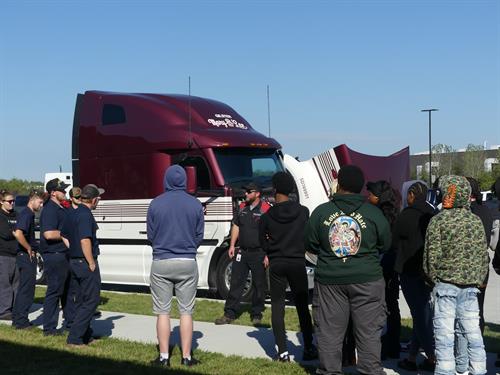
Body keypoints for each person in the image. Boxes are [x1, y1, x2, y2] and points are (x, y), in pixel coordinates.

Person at [305, 165, 391, 375]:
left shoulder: (321, 212)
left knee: (329, 333)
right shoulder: (373, 213)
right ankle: (370, 371)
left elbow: (310, 243)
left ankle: (330, 371)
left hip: (330, 281)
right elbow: (386, 244)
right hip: (367, 280)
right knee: (369, 333)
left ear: (339, 184)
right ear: (361, 187)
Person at [424, 175, 489, 375]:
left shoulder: (439, 220)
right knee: (472, 332)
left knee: (444, 336)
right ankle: (477, 369)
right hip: (470, 285)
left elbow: (431, 255)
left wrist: (432, 278)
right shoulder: (475, 221)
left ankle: (445, 371)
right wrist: (478, 279)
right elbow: (482, 254)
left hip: (445, 284)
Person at [147, 165, 204, 367]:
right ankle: (186, 357)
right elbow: (199, 236)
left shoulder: (155, 204)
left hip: (162, 260)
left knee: (163, 311)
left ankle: (164, 357)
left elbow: (151, 236)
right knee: (186, 311)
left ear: (166, 180)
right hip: (187, 261)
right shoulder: (196, 204)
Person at [259, 172, 317, 362]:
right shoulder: (303, 211)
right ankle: (308, 347)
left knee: (277, 306)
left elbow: (262, 243)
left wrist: (272, 249)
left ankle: (282, 352)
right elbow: (307, 237)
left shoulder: (267, 217)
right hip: (297, 262)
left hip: (277, 263)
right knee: (301, 306)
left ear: (275, 190)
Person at [393, 181, 436, 371]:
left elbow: (393, 242)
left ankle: (433, 357)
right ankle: (411, 357)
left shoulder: (407, 215)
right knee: (422, 314)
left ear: (412, 194)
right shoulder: (433, 213)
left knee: (420, 316)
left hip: (410, 270)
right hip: (429, 272)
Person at [215, 182, 269, 326]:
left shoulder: (266, 209)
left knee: (259, 285)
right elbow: (236, 226)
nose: (245, 194)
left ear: (257, 193)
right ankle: (229, 313)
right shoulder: (241, 208)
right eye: (245, 191)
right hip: (242, 252)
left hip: (259, 253)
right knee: (236, 283)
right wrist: (232, 245)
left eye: (248, 191)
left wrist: (268, 254)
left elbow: (271, 233)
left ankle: (256, 314)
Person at [62, 184, 104, 347]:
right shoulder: (86, 215)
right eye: (98, 198)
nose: (98, 201)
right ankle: (75, 337)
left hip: (74, 261)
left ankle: (85, 334)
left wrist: (73, 250)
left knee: (80, 299)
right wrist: (90, 261)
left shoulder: (73, 213)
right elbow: (85, 240)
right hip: (85, 263)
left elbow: (63, 235)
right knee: (91, 300)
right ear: (93, 200)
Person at [366, 180, 402, 360]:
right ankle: (393, 344)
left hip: (382, 264)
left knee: (382, 307)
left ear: (379, 197)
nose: (368, 196)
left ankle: (385, 345)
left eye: (371, 194)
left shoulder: (377, 216)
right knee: (392, 305)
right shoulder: (395, 213)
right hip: (392, 265)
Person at [40, 178, 75, 335]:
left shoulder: (60, 208)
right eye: (62, 190)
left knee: (67, 291)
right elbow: (48, 234)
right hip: (54, 255)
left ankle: (70, 324)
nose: (65, 192)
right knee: (54, 292)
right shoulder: (49, 210)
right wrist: (66, 234)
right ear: (53, 192)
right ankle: (49, 328)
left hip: (63, 254)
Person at [11, 190, 44, 329]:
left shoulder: (26, 214)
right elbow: (18, 233)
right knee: (27, 290)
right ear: (32, 200)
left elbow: (15, 231)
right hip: (25, 256)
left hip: (23, 255)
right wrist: (29, 248)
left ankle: (18, 319)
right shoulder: (27, 214)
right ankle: (21, 321)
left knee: (24, 289)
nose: (41, 205)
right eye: (40, 202)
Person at [0, 190, 18, 320]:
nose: (12, 203)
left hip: (16, 253)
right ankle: (4, 311)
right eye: (9, 201)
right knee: (4, 283)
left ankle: (16, 307)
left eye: (13, 201)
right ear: (1, 201)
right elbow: (5, 234)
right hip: (3, 254)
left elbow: (23, 230)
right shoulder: (1, 216)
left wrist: (17, 232)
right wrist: (17, 232)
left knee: (16, 283)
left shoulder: (16, 214)